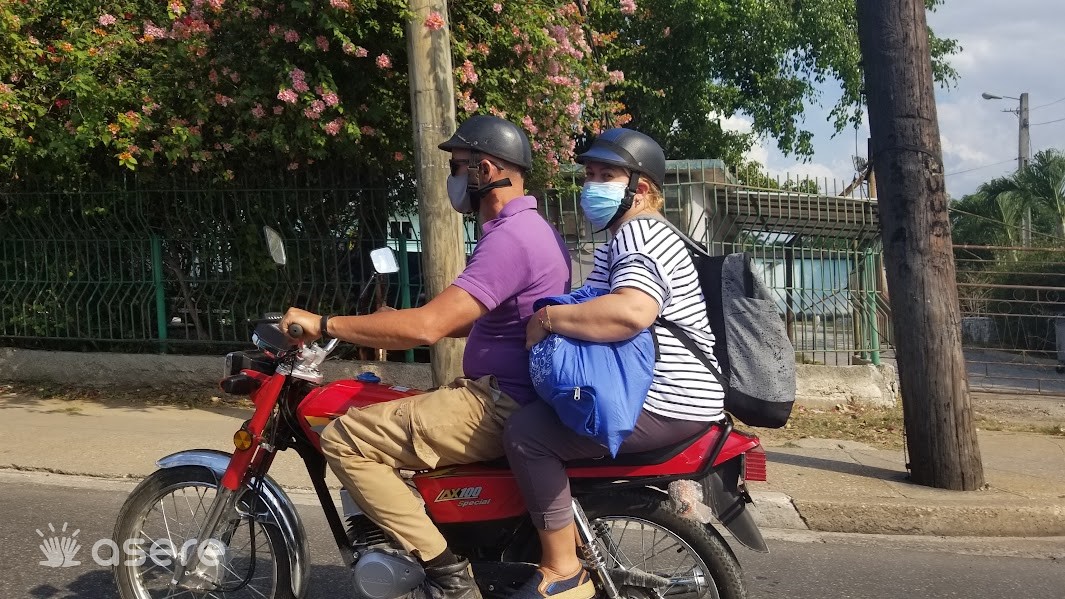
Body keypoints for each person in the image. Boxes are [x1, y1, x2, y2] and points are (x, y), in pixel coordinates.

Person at [280, 115, 571, 599]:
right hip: (510, 393)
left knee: (347, 438)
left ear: (484, 169)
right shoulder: (531, 228)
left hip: (497, 402)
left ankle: (448, 573)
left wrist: (324, 324)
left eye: (457, 167)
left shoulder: (511, 239)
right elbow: (472, 317)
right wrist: (398, 320)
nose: (453, 179)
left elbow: (428, 327)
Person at [502, 128, 726, 599]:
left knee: (527, 435)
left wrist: (549, 318)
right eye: (588, 175)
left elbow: (630, 311)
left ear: (640, 188)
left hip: (666, 400)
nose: (591, 186)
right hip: (670, 394)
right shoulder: (633, 234)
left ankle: (562, 567)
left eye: (606, 176)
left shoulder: (641, 233)